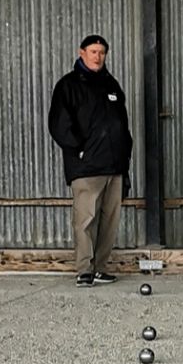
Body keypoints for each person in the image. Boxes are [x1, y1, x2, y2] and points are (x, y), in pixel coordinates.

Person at [49, 34, 132, 286]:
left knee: (109, 221)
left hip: (114, 166)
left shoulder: (111, 85)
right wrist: (80, 150)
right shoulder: (68, 85)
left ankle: (100, 267)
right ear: (81, 53)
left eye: (102, 52)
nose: (98, 56)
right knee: (85, 219)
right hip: (86, 167)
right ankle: (84, 269)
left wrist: (125, 158)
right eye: (93, 51)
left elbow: (121, 124)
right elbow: (59, 124)